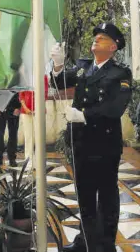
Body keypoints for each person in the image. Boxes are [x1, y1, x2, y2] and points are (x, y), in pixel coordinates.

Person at [50, 23, 132, 252]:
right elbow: (58, 83)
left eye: (103, 37)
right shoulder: (83, 67)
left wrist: (83, 115)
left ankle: (105, 246)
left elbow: (114, 108)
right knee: (84, 196)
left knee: (106, 197)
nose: (96, 39)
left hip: (104, 145)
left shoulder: (120, 73)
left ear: (113, 46)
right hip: (81, 142)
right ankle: (85, 242)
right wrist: (57, 65)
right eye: (96, 35)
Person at [19, 75, 49, 167]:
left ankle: (39, 161)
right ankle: (29, 161)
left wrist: (40, 108)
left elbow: (45, 94)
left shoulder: (43, 77)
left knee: (39, 137)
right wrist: (26, 108)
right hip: (26, 111)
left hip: (39, 111)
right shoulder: (24, 77)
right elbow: (21, 95)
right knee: (29, 137)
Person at [0, 92, 21, 168]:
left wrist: (18, 107)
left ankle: (12, 159)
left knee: (13, 134)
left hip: (13, 107)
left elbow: (19, 88)